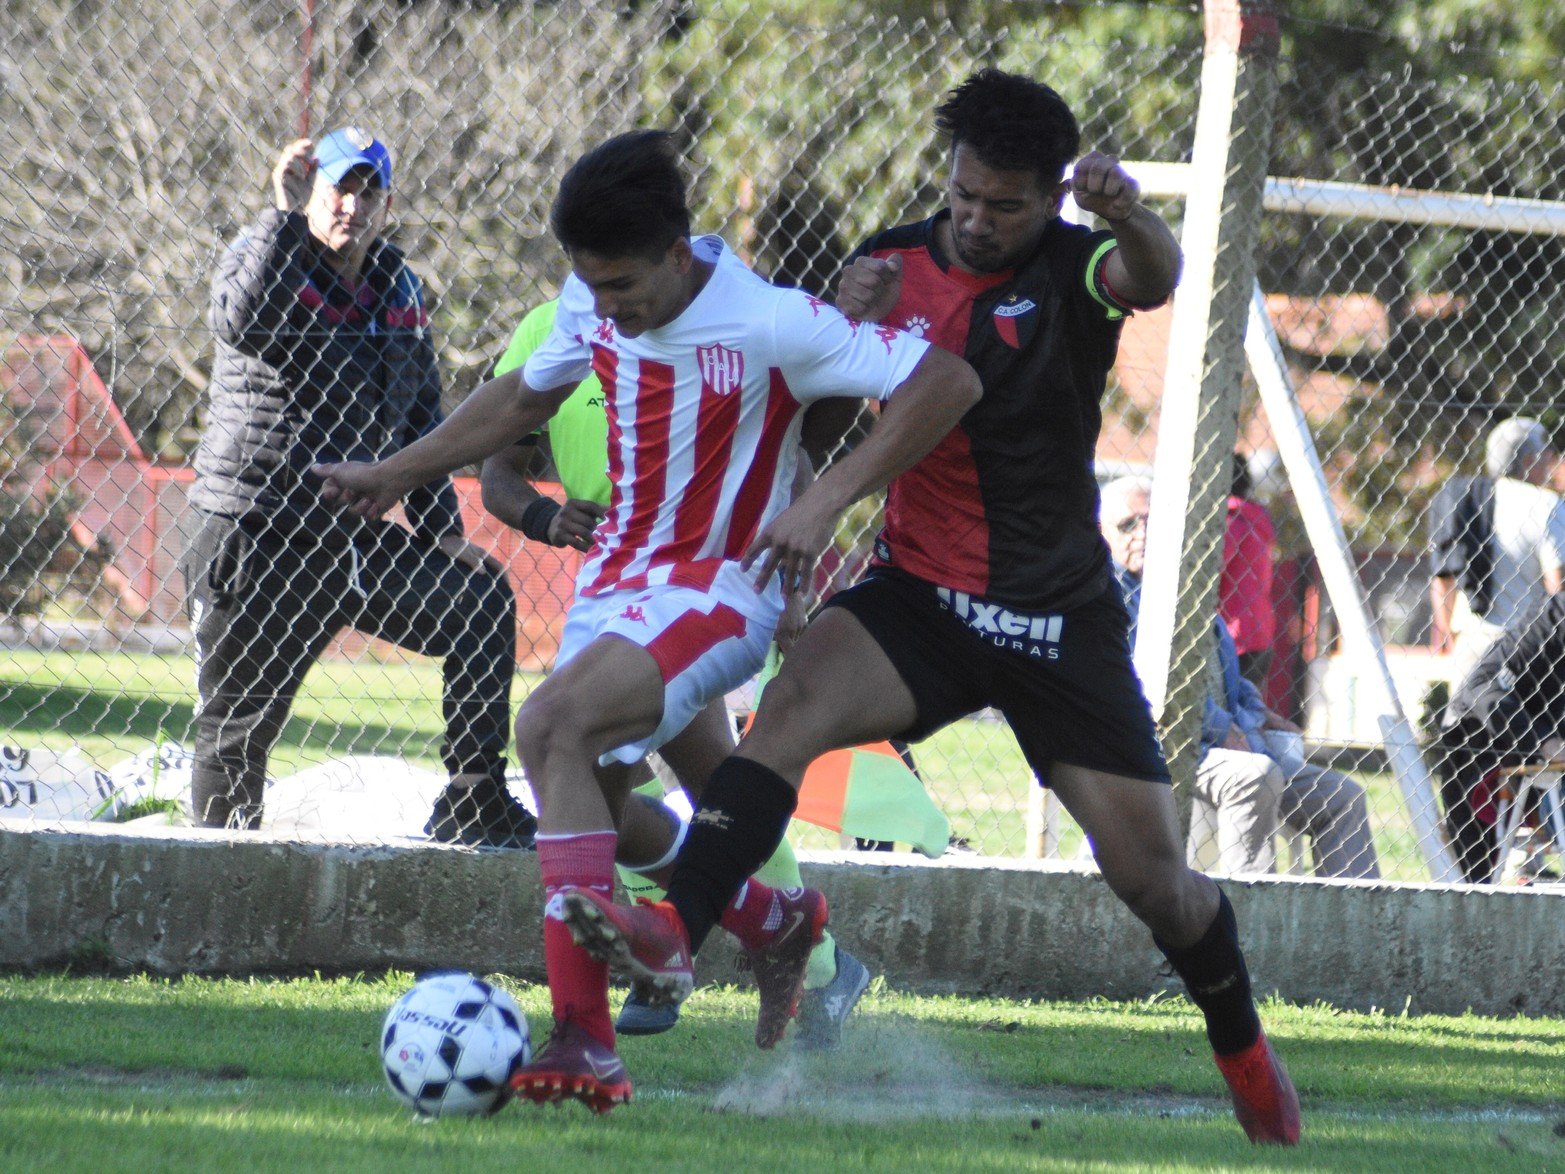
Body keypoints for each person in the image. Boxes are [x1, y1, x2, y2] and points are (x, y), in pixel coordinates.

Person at [554, 72, 1300, 1145]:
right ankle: (674, 928)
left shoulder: (1076, 262)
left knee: (1154, 878)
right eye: (961, 195)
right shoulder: (888, 261)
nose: (974, 219)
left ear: (1048, 199)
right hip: (919, 595)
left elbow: (1152, 275)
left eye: (1002, 204)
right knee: (791, 709)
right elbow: (805, 415)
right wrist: (832, 357)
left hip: (1055, 616)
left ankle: (1239, 1044)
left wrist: (1131, 212)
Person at [313, 130, 980, 1113]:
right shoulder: (594, 297)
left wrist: (824, 501)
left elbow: (944, 384)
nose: (606, 308)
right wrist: (397, 469)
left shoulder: (771, 320)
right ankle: (774, 922)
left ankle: (585, 1037)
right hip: (616, 583)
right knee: (595, 792)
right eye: (591, 285)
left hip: (717, 589)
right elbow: (519, 396)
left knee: (548, 727)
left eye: (621, 286)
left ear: (677, 254)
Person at [480, 298, 873, 1044]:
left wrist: (791, 588)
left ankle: (636, 999)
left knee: (618, 775)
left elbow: (790, 451)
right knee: (666, 788)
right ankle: (789, 937)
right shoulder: (549, 329)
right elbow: (498, 469)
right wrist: (542, 517)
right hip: (612, 595)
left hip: (707, 589)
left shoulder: (715, 314)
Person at [185, 127, 534, 848]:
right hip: (259, 536)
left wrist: (441, 530)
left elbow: (423, 414)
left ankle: (472, 800)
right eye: (339, 187)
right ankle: (219, 875)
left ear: (387, 202)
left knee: (479, 601)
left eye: (369, 189)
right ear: (312, 192)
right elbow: (240, 321)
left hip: (348, 541)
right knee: (236, 734)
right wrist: (282, 215)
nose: (353, 204)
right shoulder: (269, 254)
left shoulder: (398, 287)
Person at [1102, 478, 1380, 881]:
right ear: (1102, 535)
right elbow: (1142, 687)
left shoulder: (1180, 587)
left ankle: (1356, 929)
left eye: (1151, 521)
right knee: (1254, 777)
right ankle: (1248, 915)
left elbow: (1222, 672)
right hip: (1160, 748)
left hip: (1223, 744)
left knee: (1343, 796)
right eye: (1128, 524)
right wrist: (1221, 726)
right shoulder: (1109, 597)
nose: (1143, 532)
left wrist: (1257, 711)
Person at [1437, 592, 1565, 883]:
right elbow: (1481, 689)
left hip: (1544, 763)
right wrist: (1545, 741)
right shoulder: (1553, 617)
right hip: (1483, 744)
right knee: (1474, 887)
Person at [1430, 417, 1565, 670]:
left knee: (1466, 708)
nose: (1551, 461)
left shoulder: (1468, 500)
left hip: (1473, 641)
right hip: (1529, 644)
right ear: (1529, 460)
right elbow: (1557, 586)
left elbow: (1443, 576)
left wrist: (1447, 631)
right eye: (1547, 454)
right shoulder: (1547, 504)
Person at [1220, 452, 1277, 690]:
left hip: (1233, 635)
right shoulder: (1255, 518)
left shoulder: (1231, 520)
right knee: (1247, 706)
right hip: (1259, 631)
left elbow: (1212, 567)